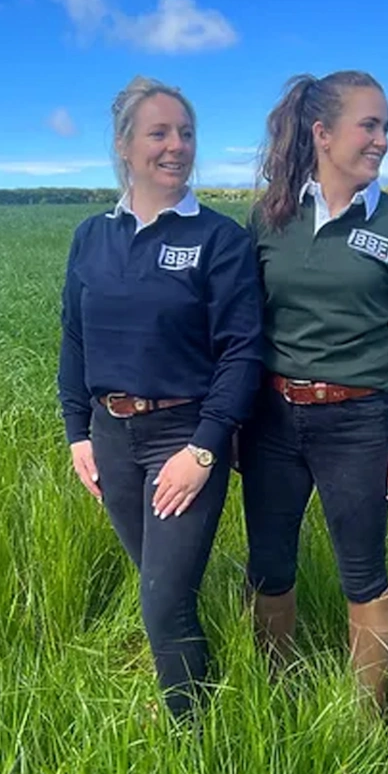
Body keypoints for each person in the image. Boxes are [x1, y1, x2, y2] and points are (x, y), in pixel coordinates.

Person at [58, 76, 263, 719]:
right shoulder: (92, 236)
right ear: (124, 145)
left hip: (183, 437)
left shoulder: (218, 239)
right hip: (111, 438)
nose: (177, 146)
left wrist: (205, 449)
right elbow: (73, 336)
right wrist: (77, 432)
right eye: (159, 133)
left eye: (186, 133)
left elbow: (242, 351)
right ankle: (194, 686)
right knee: (159, 583)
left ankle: (193, 743)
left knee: (164, 600)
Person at [239, 70, 388, 711]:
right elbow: (244, 330)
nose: (380, 141)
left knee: (363, 572)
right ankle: (275, 693)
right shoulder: (271, 218)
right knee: (269, 563)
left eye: (386, 129)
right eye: (368, 126)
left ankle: (367, 718)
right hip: (271, 419)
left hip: (357, 422)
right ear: (322, 134)